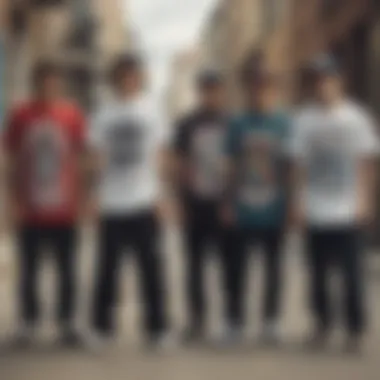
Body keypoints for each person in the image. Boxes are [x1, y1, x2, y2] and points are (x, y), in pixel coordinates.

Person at [290, 54, 378, 352]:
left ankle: (355, 331)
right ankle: (322, 326)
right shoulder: (304, 120)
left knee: (353, 276)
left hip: (348, 210)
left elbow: (365, 162)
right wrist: (298, 203)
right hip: (316, 209)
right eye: (318, 80)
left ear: (339, 81)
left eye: (328, 79)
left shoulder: (356, 117)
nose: (322, 85)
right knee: (317, 277)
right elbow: (299, 166)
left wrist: (365, 200)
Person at [3, 61, 88, 347]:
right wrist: (11, 202)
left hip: (64, 207)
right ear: (35, 85)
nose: (49, 88)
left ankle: (66, 323)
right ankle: (28, 322)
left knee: (67, 269)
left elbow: (80, 159)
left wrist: (84, 200)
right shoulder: (21, 115)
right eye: (44, 83)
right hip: (31, 207)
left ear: (59, 85)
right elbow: (11, 161)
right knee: (29, 269)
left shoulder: (71, 115)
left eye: (54, 83)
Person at [90, 53, 170, 349]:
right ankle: (101, 328)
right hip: (112, 202)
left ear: (139, 78)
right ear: (115, 80)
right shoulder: (104, 113)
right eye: (122, 76)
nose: (128, 81)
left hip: (144, 201)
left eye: (132, 75)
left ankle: (157, 328)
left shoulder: (152, 110)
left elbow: (159, 155)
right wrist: (93, 196)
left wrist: (163, 195)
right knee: (107, 270)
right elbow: (97, 157)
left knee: (151, 269)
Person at [222, 65, 290, 344]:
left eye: (266, 88)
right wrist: (226, 203)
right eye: (256, 88)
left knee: (274, 269)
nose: (261, 93)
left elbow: (291, 167)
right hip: (243, 208)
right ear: (249, 92)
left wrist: (292, 204)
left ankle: (270, 322)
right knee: (237, 269)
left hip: (274, 208)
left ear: (273, 92)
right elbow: (229, 165)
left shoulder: (285, 124)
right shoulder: (238, 124)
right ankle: (235, 322)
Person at [172, 70, 233, 343]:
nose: (211, 94)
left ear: (222, 92)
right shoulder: (187, 124)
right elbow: (179, 165)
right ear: (200, 92)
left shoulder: (232, 123)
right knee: (194, 267)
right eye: (207, 89)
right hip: (195, 204)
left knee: (228, 266)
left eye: (216, 89)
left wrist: (231, 202)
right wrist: (180, 203)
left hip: (223, 205)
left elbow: (237, 167)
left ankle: (229, 321)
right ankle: (197, 321)